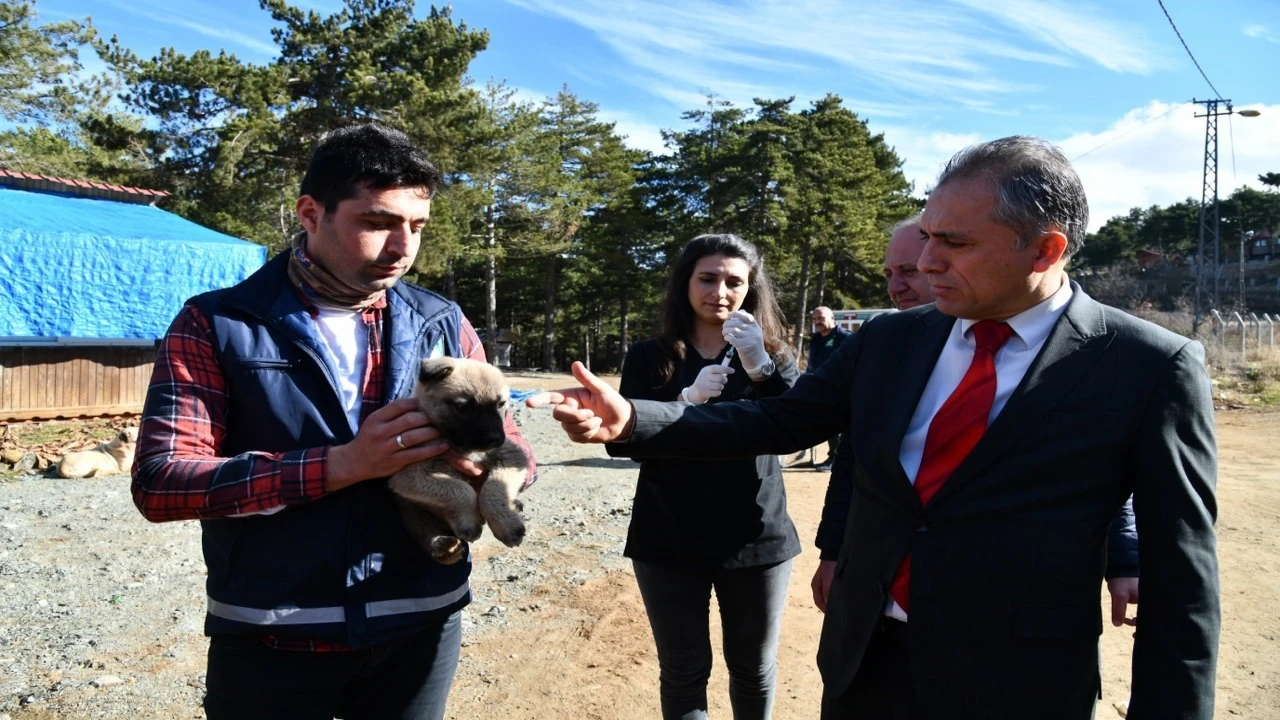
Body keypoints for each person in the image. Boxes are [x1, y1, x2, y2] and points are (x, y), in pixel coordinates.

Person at [529, 136, 1219, 719]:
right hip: (867, 664)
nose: (924, 264)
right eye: (925, 238)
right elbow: (779, 418)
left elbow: (1183, 585)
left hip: (1017, 681)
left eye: (954, 243)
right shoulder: (893, 341)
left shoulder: (1148, 367)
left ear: (1044, 250)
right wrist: (637, 417)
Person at [131, 123, 536, 720]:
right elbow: (162, 483)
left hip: (422, 623)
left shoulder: (442, 321)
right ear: (310, 213)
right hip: (274, 635)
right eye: (377, 223)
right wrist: (339, 466)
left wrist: (490, 478)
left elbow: (515, 448)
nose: (402, 248)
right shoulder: (218, 323)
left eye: (416, 227)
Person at [811, 215, 1141, 641]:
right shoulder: (884, 348)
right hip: (878, 614)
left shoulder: (1080, 354)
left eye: (910, 270)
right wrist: (834, 551)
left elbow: (1097, 471)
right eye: (890, 273)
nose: (897, 286)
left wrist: (1125, 558)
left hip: (1001, 633)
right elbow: (856, 464)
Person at [615, 233, 801, 720]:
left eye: (734, 281)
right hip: (668, 537)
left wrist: (760, 366)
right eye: (708, 278)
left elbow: (798, 425)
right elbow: (620, 442)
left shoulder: (773, 355)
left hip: (757, 537)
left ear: (750, 290)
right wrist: (683, 403)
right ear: (685, 283)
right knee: (682, 669)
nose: (720, 290)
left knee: (753, 668)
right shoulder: (649, 357)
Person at [805, 306, 851, 472]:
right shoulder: (816, 339)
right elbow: (812, 363)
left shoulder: (845, 337)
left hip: (841, 389)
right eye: (815, 319)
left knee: (838, 426)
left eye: (821, 318)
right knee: (825, 425)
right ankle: (830, 456)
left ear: (832, 318)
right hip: (819, 387)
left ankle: (835, 460)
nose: (817, 322)